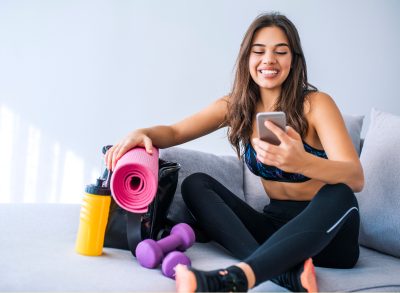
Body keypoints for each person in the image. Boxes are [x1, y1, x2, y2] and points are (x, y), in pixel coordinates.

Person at [105, 12, 364, 293]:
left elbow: (355, 176)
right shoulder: (236, 107)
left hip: (328, 238)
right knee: (196, 184)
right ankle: (282, 274)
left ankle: (237, 277)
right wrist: (141, 132)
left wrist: (303, 162)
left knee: (340, 192)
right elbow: (176, 132)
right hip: (274, 227)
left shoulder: (315, 105)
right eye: (259, 51)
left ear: (294, 60)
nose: (269, 60)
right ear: (247, 58)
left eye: (281, 51)